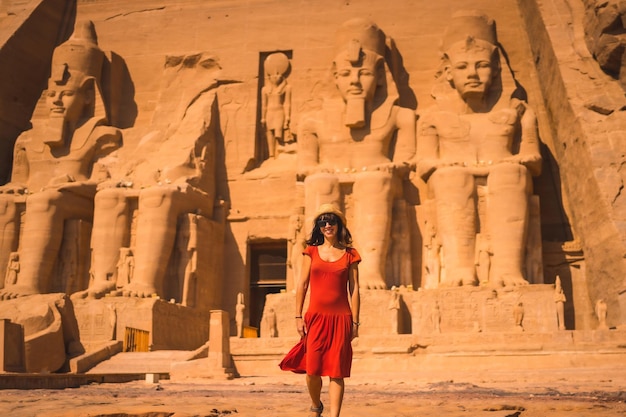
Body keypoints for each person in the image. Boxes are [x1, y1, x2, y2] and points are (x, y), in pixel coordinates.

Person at [417, 10, 542, 287]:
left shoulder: (518, 111)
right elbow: (424, 164)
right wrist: (455, 165)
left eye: (482, 65)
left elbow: (533, 159)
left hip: (503, 176)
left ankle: (507, 269)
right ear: (448, 73)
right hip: (452, 178)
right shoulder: (433, 118)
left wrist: (506, 163)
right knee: (452, 178)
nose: (472, 74)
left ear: (496, 69)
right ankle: (460, 270)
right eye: (462, 67)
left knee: (512, 174)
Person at [0, 20, 122, 298]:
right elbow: (18, 181)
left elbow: (106, 185)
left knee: (46, 201)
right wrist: (13, 186)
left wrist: (71, 184)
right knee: (5, 203)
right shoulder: (27, 140)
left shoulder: (100, 135)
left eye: (67, 94)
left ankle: (30, 284)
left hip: (75, 200)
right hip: (40, 196)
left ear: (89, 95)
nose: (56, 101)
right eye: (52, 94)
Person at [297, 18, 415, 289]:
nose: (355, 81)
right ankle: (321, 268)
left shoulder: (399, 115)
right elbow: (305, 166)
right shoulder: (313, 121)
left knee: (375, 182)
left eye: (365, 73)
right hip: (329, 179)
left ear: (380, 76)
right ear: (334, 76)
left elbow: (407, 160)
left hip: (378, 180)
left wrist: (388, 168)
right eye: (347, 74)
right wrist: (318, 170)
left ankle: (371, 271)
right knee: (321, 182)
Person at [279, 203, 360, 417]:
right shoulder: (311, 252)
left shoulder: (351, 254)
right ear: (319, 227)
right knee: (313, 371)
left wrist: (355, 322)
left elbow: (355, 289)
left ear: (339, 225)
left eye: (331, 221)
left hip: (341, 318)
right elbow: (302, 285)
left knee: (337, 372)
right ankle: (316, 405)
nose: (327, 225)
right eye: (323, 222)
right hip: (315, 318)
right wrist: (298, 316)